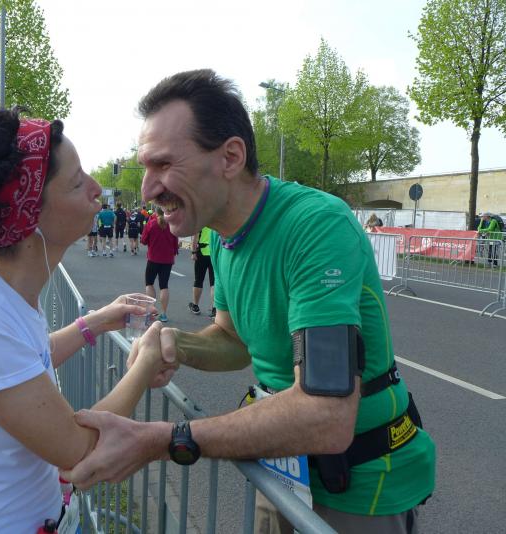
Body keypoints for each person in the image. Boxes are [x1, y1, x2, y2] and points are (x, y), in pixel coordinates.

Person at [62, 70, 435, 534]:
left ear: (231, 157)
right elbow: (234, 338)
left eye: (164, 164)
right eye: (145, 168)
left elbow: (326, 416)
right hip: (282, 469)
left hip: (360, 486)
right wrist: (174, 343)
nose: (148, 189)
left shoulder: (315, 226)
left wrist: (163, 440)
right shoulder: (223, 235)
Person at [0, 109, 167, 533]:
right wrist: (145, 361)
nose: (96, 188)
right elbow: (81, 450)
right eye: (77, 182)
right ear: (30, 215)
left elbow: (26, 360)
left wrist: (95, 322)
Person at [141, 207, 177, 323]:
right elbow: (175, 243)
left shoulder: (151, 224)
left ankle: (151, 311)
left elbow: (143, 240)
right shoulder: (171, 224)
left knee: (149, 283)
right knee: (164, 286)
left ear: (156, 212)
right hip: (167, 259)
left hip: (153, 258)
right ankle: (164, 314)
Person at [188, 227, 215, 318]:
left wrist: (193, 252)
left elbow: (195, 238)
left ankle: (195, 306)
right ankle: (214, 308)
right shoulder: (216, 222)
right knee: (214, 283)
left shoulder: (202, 222)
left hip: (201, 253)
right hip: (214, 253)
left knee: (198, 280)